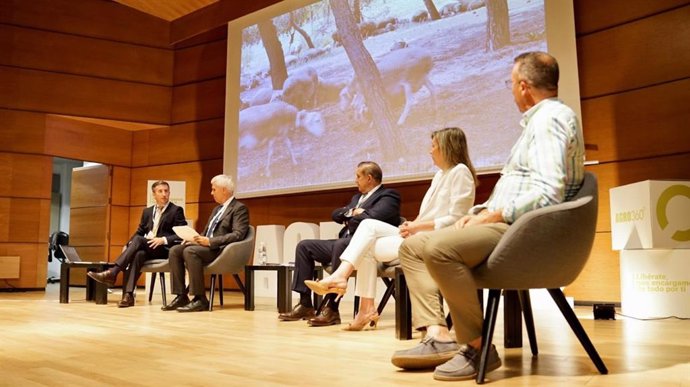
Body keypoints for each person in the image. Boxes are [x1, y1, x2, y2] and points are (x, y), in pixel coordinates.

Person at [390, 51, 585, 381]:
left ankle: (478, 347)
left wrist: (493, 215)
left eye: (509, 83)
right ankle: (438, 334)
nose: (510, 90)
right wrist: (480, 213)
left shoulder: (549, 120)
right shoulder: (539, 122)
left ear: (524, 86)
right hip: (510, 224)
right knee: (413, 247)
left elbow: (549, 190)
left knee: (438, 248)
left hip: (524, 230)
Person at [306, 127, 477, 331]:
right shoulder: (440, 175)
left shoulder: (461, 173)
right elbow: (429, 214)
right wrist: (411, 225)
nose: (430, 151)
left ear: (447, 147)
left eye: (433, 146)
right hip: (420, 234)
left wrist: (416, 226)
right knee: (367, 238)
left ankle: (343, 279)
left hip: (439, 240)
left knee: (367, 234)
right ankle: (364, 307)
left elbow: (457, 218)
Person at [278, 161, 401, 326]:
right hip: (345, 242)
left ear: (369, 178)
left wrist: (354, 216)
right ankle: (305, 304)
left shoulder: (389, 196)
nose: (355, 180)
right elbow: (336, 214)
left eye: (358, 176)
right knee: (304, 246)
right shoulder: (357, 198)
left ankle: (332, 309)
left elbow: (372, 219)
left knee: (340, 245)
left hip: (366, 247)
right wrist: (353, 212)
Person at [87, 180, 187, 308]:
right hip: (150, 248)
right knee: (138, 254)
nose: (164, 194)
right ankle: (128, 296)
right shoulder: (147, 212)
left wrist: (163, 240)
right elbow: (140, 231)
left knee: (139, 241)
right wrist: (128, 244)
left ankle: (113, 272)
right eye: (160, 191)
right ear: (154, 194)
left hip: (165, 249)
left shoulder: (176, 210)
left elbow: (182, 233)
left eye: (166, 191)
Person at [162, 174, 250, 312]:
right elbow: (206, 232)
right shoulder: (217, 209)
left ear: (224, 190)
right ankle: (181, 296)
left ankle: (200, 299)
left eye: (214, 189)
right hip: (206, 247)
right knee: (175, 250)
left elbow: (238, 234)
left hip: (221, 250)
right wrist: (193, 238)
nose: (211, 192)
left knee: (190, 251)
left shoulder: (239, 208)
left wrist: (210, 241)